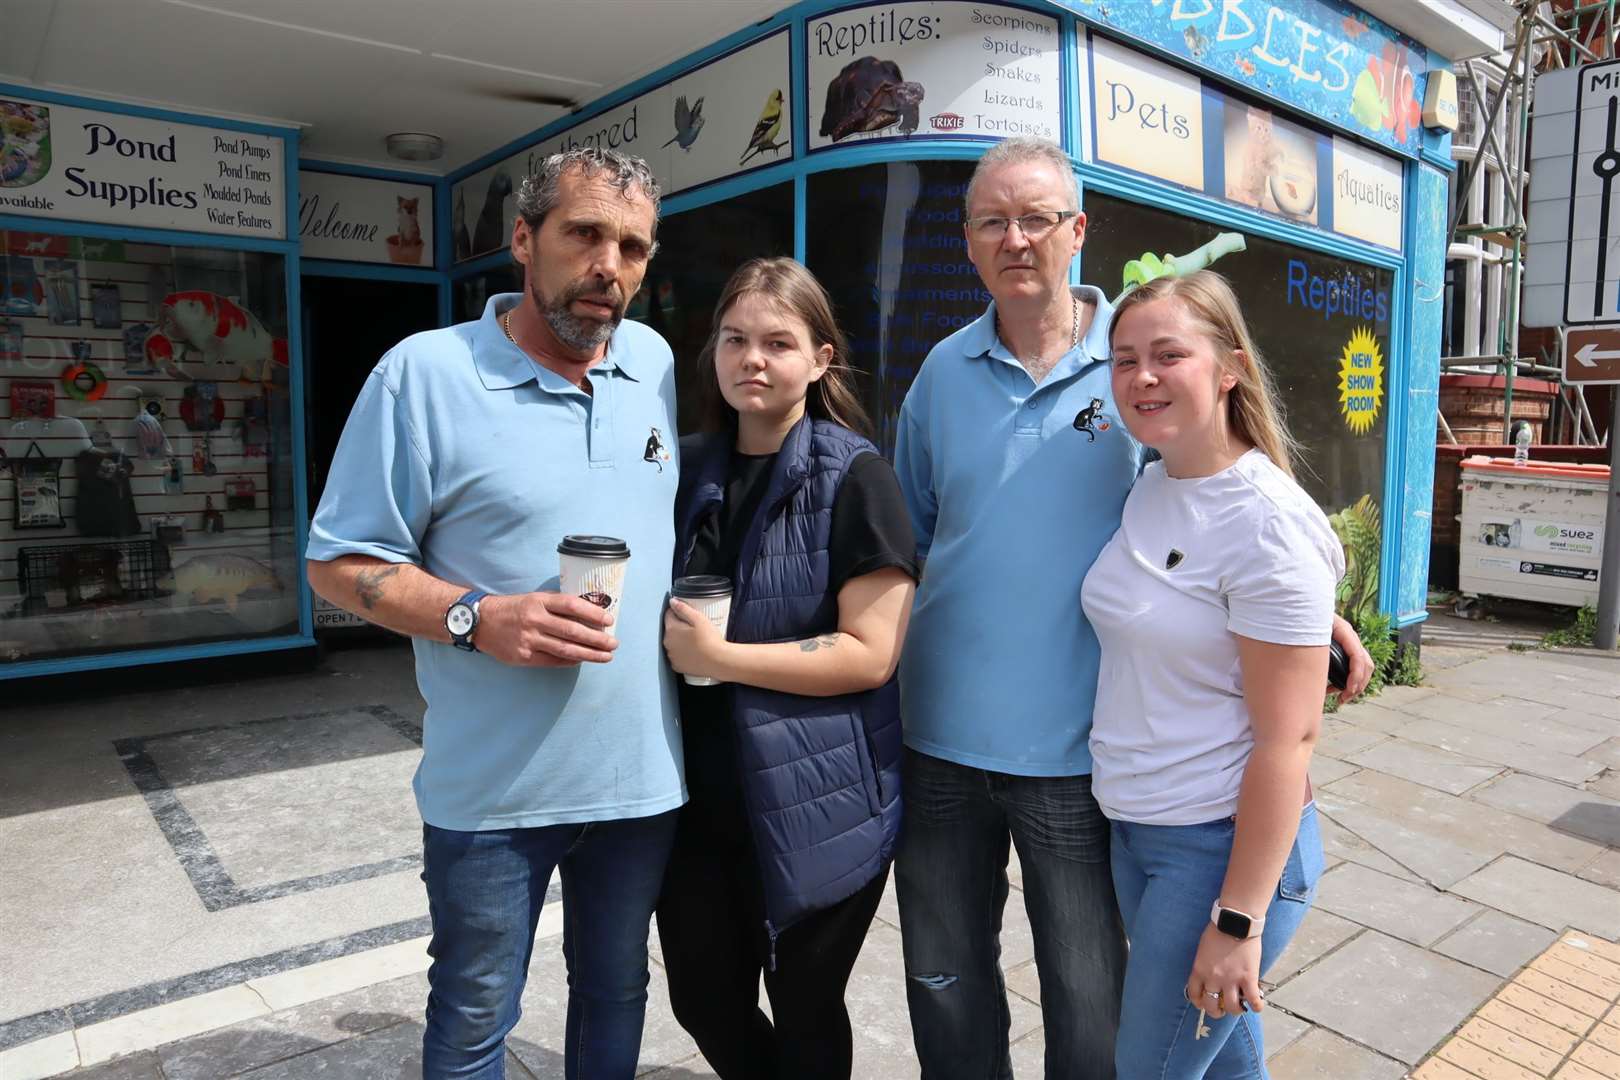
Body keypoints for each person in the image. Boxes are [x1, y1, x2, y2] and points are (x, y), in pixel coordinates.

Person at [891, 137, 1371, 1079]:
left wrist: (1314, 617)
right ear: (968, 241)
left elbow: (1233, 511)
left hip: (1080, 755)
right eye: (992, 220)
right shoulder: (941, 376)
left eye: (1036, 218)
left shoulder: (1135, 368)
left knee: (1093, 1001)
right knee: (943, 979)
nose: (1014, 238)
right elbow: (911, 539)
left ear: (1079, 231)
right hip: (941, 738)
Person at [306, 147, 681, 1080]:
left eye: (632, 245)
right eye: (585, 233)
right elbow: (338, 562)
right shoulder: (422, 376)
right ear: (523, 239)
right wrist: (480, 616)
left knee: (616, 995)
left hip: (637, 784)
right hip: (492, 798)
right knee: (477, 1013)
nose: (610, 265)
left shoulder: (656, 364)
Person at [658, 257, 918, 1079]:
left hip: (820, 799)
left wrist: (721, 660)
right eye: (735, 339)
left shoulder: (856, 478)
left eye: (778, 341)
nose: (753, 359)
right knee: (702, 999)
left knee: (806, 1009)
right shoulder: (681, 468)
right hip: (695, 800)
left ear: (820, 359)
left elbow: (870, 653)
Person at [1082, 271, 1339, 1077]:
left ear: (1228, 368)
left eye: (1168, 355)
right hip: (1139, 831)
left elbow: (1287, 742)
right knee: (1225, 1067)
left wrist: (1238, 923)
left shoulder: (1269, 525)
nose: (1142, 377)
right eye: (1124, 360)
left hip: (1221, 855)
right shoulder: (1151, 478)